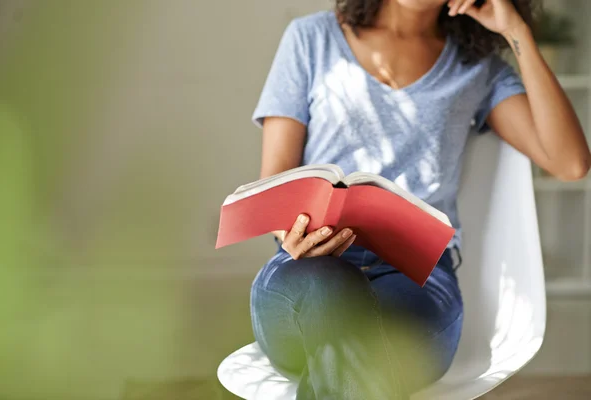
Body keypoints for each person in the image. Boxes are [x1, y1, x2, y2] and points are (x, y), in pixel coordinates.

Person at [249, 0, 591, 398]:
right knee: (336, 300)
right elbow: (275, 182)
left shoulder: (476, 68)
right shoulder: (311, 39)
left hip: (419, 279)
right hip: (308, 270)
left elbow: (570, 163)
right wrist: (292, 234)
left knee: (358, 352)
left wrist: (517, 32)